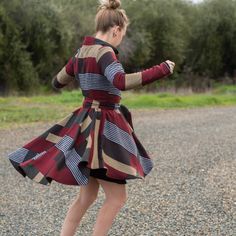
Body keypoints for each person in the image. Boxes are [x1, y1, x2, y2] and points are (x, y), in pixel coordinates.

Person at [7, 0, 175, 235]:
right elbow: (121, 82)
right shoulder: (105, 52)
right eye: (122, 35)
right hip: (103, 129)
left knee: (88, 195)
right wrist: (162, 69)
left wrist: (82, 73)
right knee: (117, 198)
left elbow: (58, 81)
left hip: (85, 126)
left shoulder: (81, 52)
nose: (120, 39)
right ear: (116, 30)